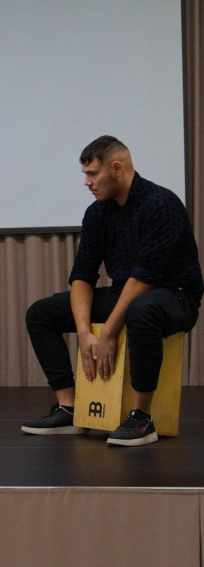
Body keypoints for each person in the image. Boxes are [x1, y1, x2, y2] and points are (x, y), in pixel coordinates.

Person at [22, 135, 202, 446]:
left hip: (176, 294)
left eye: (92, 174)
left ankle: (142, 418)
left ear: (116, 168)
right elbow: (82, 275)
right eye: (85, 175)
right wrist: (83, 332)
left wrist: (107, 334)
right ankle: (69, 407)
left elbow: (145, 277)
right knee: (41, 314)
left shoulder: (161, 204)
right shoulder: (98, 213)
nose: (87, 183)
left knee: (142, 309)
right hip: (127, 293)